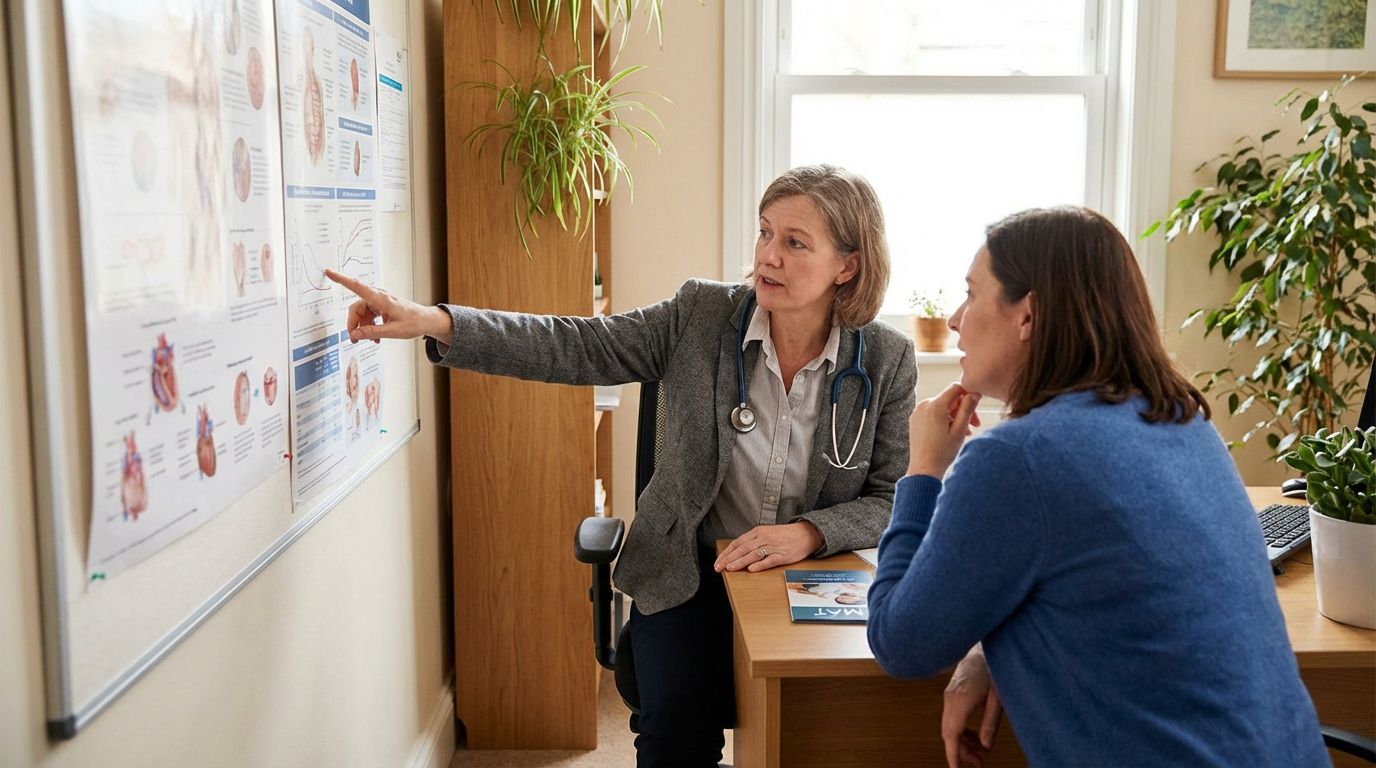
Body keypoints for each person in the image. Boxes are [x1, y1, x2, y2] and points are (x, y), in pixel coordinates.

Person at [327, 165, 917, 767]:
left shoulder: (886, 361)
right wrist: (438, 322)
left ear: (848, 265)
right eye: (765, 233)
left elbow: (888, 497)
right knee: (675, 735)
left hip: (803, 580)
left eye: (795, 242)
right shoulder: (702, 315)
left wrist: (808, 534)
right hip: (688, 574)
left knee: (834, 728)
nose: (769, 255)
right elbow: (577, 344)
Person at [866, 207, 1327, 768]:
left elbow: (900, 642)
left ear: (1028, 315)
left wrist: (922, 471)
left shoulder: (1015, 459)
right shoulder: (1183, 420)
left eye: (971, 293)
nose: (957, 319)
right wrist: (990, 650)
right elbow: (1110, 592)